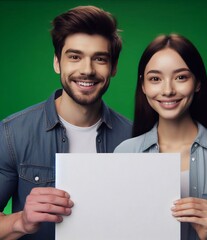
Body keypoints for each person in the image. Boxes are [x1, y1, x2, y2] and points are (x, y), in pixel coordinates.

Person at [0, 6, 132, 240]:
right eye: (74, 57)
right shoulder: (12, 134)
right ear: (57, 63)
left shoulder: (134, 138)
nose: (87, 70)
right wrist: (20, 221)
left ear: (113, 68)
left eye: (100, 59)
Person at [114, 34, 207, 239]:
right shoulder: (124, 152)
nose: (168, 90)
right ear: (144, 86)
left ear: (197, 83)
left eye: (181, 77)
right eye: (155, 79)